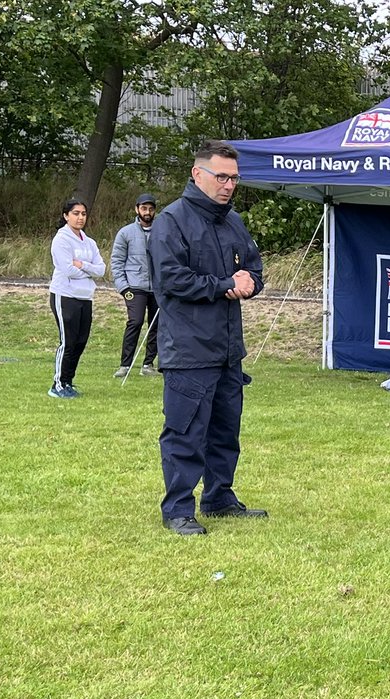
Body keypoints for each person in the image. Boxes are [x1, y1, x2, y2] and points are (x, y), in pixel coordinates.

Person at [150, 140, 267, 536]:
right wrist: (223, 285)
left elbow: (253, 269)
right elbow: (171, 279)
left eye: (234, 178)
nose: (229, 185)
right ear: (197, 174)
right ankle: (178, 509)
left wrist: (249, 283)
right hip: (189, 349)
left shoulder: (234, 221)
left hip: (228, 349)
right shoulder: (171, 221)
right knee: (185, 432)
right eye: (221, 177)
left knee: (224, 431)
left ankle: (220, 497)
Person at [47, 199, 105, 399]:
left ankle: (68, 382)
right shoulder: (61, 240)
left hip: (85, 296)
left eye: (83, 214)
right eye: (76, 213)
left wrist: (83, 265)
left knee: (80, 342)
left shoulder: (89, 242)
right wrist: (87, 270)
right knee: (68, 342)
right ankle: (57, 384)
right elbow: (67, 269)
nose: (80, 217)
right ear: (66, 216)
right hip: (65, 295)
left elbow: (101, 269)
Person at [111, 193, 161, 377]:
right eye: (144, 208)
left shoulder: (162, 231)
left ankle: (148, 364)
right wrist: (123, 287)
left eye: (151, 209)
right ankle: (125, 365)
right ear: (137, 209)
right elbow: (117, 261)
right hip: (134, 286)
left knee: (156, 324)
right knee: (135, 321)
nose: (147, 212)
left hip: (157, 287)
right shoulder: (125, 233)